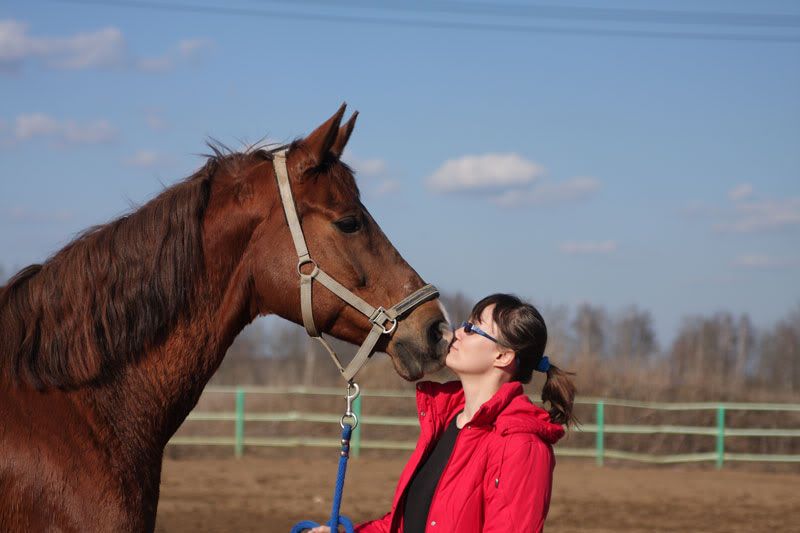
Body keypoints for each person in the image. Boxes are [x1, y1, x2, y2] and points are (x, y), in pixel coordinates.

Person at [309, 293, 576, 533]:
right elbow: (403, 525)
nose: (458, 332)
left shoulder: (521, 445)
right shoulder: (445, 423)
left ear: (503, 356)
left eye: (472, 329)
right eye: (464, 324)